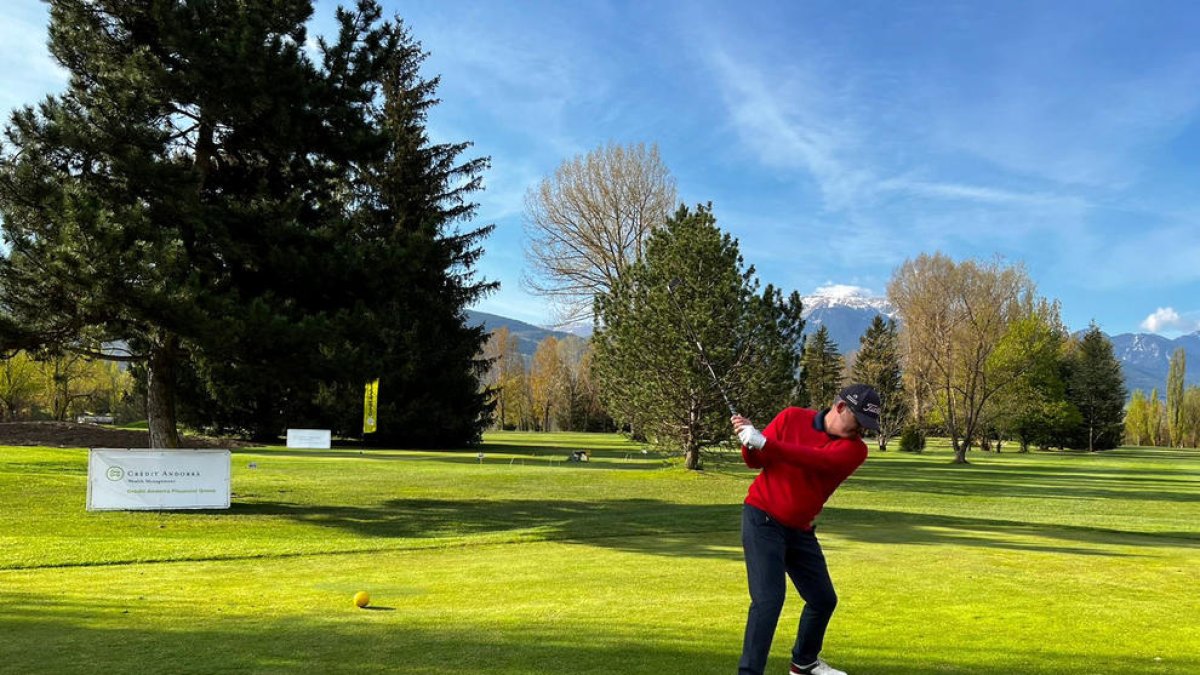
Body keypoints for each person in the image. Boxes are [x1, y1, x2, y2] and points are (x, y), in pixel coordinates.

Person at [731, 383, 881, 675]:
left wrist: (765, 442)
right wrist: (748, 440)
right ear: (840, 407)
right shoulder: (791, 417)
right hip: (762, 519)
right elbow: (755, 461)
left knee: (823, 600)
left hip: (800, 530)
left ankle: (804, 663)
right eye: (859, 421)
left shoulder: (855, 450)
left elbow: (815, 461)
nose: (861, 430)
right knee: (768, 601)